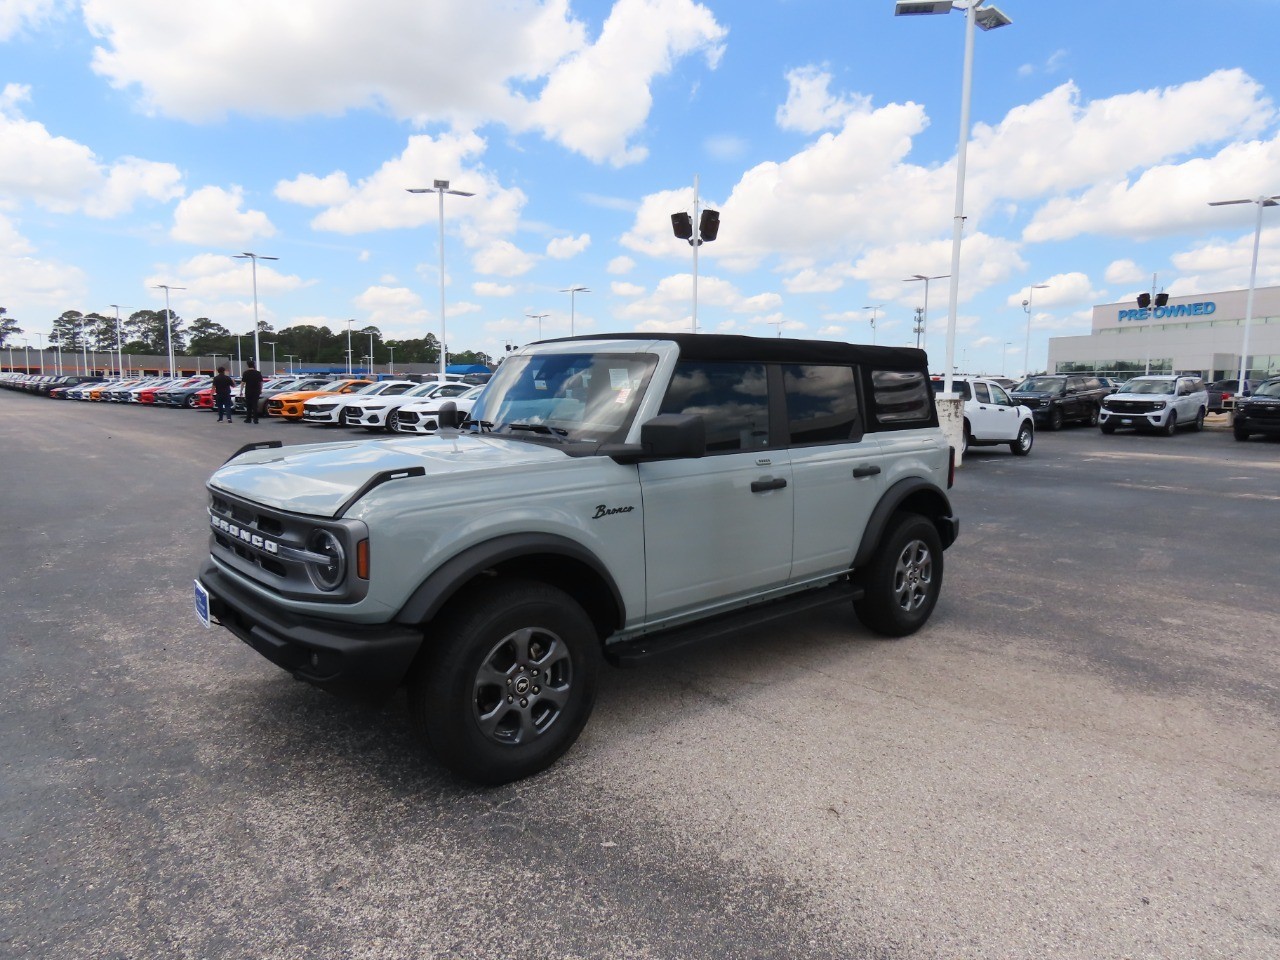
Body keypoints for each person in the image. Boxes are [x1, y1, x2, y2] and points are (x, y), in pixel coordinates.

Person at [241, 359, 265, 423]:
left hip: (248, 391)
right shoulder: (258, 373)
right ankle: (256, 419)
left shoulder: (245, 373)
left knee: (249, 405)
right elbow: (261, 382)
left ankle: (248, 419)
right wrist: (260, 389)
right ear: (254, 365)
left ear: (247, 365)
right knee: (255, 405)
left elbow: (243, 383)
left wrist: (241, 391)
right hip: (256, 391)